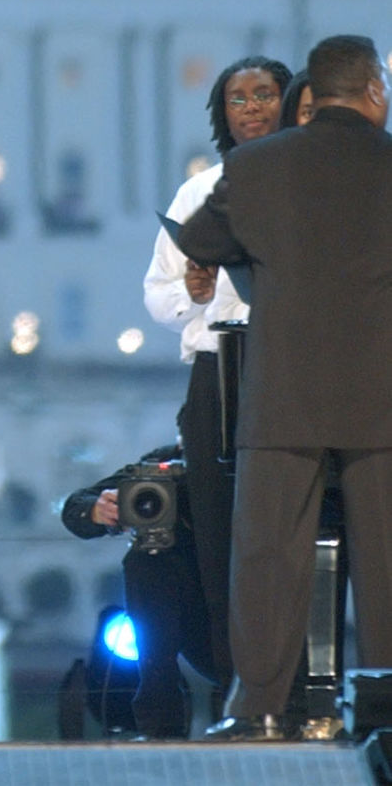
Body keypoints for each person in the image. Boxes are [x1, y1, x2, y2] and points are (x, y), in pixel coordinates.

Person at [180, 34, 392, 740]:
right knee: (386, 556)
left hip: (282, 390)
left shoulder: (256, 165)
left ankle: (260, 707)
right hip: (381, 389)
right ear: (372, 93)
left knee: (268, 555)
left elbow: (199, 239)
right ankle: (385, 707)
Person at [143, 55, 291, 688]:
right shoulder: (198, 194)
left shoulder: (308, 186)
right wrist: (197, 294)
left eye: (264, 95)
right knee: (215, 531)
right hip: (215, 377)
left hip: (287, 372)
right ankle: (235, 682)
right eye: (239, 99)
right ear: (222, 113)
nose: (252, 107)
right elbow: (158, 297)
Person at [62, 444, 213, 739]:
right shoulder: (169, 466)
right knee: (148, 556)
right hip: (199, 613)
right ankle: (160, 720)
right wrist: (100, 509)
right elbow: (77, 506)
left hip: (262, 605)